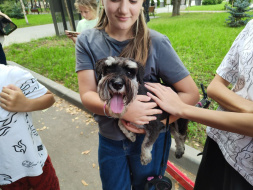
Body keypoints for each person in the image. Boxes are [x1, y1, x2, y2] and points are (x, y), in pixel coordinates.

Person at [75, 0, 199, 189]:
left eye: (133, 0)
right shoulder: (87, 41)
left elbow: (191, 94)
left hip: (151, 142)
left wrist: (158, 121)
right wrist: (120, 111)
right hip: (110, 140)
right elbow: (87, 94)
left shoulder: (157, 42)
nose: (124, 9)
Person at [146, 19, 253, 189]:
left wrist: (182, 108)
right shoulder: (250, 27)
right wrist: (249, 109)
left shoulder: (158, 42)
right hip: (219, 144)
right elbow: (215, 87)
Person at [0, 65, 60, 190]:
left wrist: (26, 104)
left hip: (37, 165)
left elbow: (49, 98)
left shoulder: (10, 75)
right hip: (5, 176)